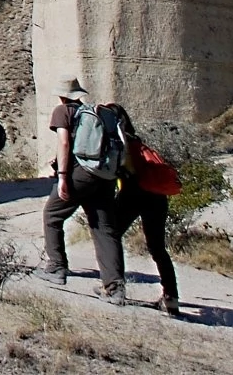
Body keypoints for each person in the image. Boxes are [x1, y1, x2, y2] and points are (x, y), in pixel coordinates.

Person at [36, 75, 129, 304]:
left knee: (52, 214)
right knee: (105, 229)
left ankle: (56, 267)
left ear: (61, 95)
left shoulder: (63, 111)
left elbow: (65, 143)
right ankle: (115, 288)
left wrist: (63, 177)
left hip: (81, 173)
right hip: (104, 175)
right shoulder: (93, 112)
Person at [112, 108, 181, 316]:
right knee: (158, 247)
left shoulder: (120, 143)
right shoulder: (138, 142)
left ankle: (114, 286)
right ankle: (171, 297)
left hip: (133, 193)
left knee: (110, 236)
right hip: (157, 196)